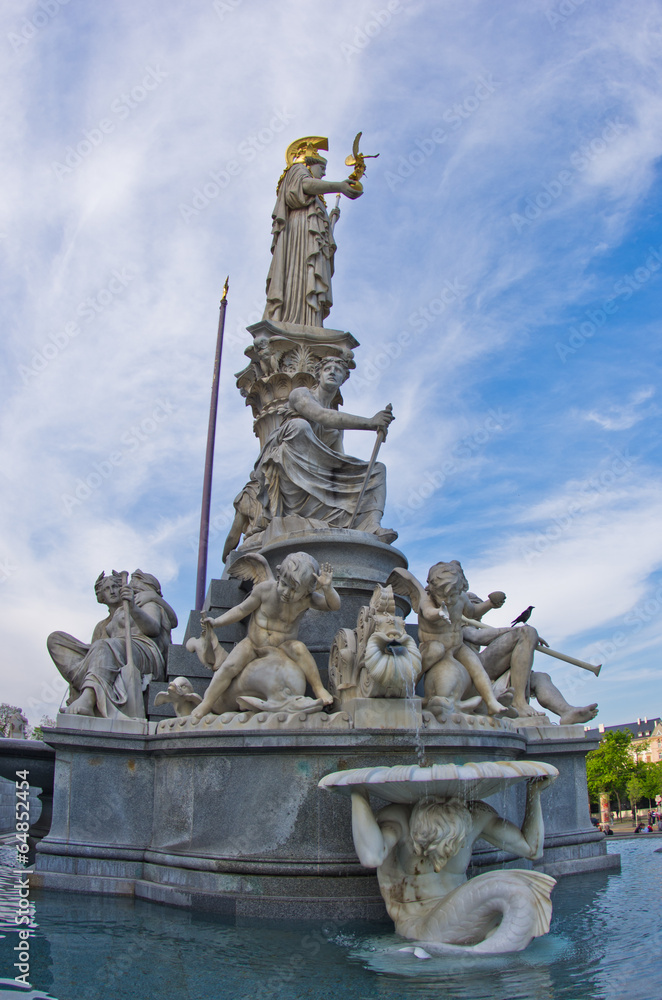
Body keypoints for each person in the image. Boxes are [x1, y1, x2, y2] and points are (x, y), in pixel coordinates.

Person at [349, 774, 556, 953]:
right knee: (513, 889)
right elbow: (371, 857)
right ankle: (485, 949)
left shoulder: (474, 815)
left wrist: (534, 792)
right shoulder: (399, 820)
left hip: (464, 920)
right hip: (419, 929)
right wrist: (358, 794)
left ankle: (484, 948)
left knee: (518, 893)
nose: (443, 858)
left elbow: (532, 849)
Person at [254, 355, 397, 541]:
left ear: (343, 379)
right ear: (318, 375)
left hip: (318, 472)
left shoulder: (336, 422)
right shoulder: (300, 394)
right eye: (327, 369)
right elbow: (321, 416)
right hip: (288, 468)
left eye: (338, 371)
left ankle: (372, 525)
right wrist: (370, 423)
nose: (332, 373)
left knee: (377, 470)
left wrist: (351, 483)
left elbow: (338, 461)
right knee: (300, 426)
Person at [191, 552, 337, 720]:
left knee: (300, 648)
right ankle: (207, 702)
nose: (287, 593)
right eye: (284, 584)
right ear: (278, 575)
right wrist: (216, 622)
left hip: (283, 645)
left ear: (307, 592)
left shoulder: (307, 600)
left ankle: (319, 688)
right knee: (229, 667)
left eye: (294, 590)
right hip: (253, 643)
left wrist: (328, 589)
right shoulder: (265, 590)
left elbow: (332, 605)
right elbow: (241, 610)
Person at [47, 570, 177, 719]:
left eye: (135, 584)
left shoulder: (148, 604)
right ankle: (88, 678)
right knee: (56, 640)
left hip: (143, 653)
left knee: (104, 646)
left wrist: (135, 607)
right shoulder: (116, 614)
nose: (130, 586)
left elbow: (153, 628)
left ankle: (88, 698)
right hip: (112, 653)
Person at [263, 137, 361, 327]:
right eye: (321, 169)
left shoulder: (317, 197)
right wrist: (338, 186)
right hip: (299, 235)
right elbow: (303, 186)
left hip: (309, 238)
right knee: (300, 273)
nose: (323, 174)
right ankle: (293, 319)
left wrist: (331, 221)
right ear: (310, 163)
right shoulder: (297, 170)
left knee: (310, 276)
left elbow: (322, 233)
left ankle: (310, 323)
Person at [462, 592, 599, 724]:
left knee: (540, 677)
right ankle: (518, 702)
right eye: (475, 608)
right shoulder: (460, 624)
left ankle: (566, 711)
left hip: (485, 674)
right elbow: (477, 637)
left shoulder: (473, 624)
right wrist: (518, 631)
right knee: (527, 632)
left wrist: (525, 637)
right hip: (470, 675)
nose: (479, 614)